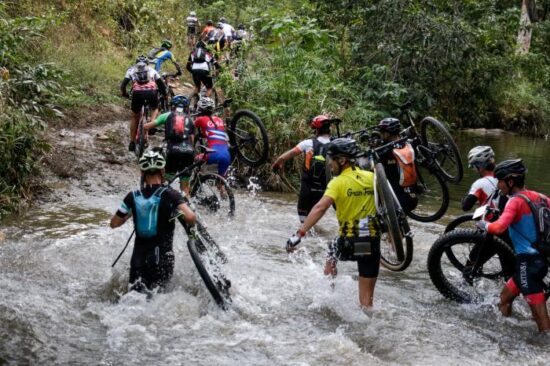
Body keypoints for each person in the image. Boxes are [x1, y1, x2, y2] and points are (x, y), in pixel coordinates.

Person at [286, 138, 381, 309]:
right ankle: (367, 322)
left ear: (342, 160)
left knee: (332, 253)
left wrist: (299, 234)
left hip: (350, 240)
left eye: (332, 159)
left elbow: (320, 208)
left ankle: (327, 297)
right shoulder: (371, 177)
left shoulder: (337, 183)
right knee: (367, 301)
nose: (329, 163)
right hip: (370, 242)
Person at [478, 159, 550, 332]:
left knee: (542, 322)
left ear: (510, 182)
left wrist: (483, 225)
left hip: (528, 264)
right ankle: (505, 332)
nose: (498, 185)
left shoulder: (514, 201)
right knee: (504, 298)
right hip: (538, 261)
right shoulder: (541, 197)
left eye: (500, 181)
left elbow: (499, 227)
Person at [110, 150, 196, 294]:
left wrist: (131, 214)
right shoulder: (171, 194)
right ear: (162, 171)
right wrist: (175, 213)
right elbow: (191, 217)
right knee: (158, 300)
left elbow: (114, 223)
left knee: (134, 299)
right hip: (163, 259)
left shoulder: (132, 196)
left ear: (142, 172)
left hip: (137, 260)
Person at [272, 115, 333, 223]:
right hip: (325, 190)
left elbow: (285, 156)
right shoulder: (335, 146)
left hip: (308, 188)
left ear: (316, 130)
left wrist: (276, 165)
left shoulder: (307, 143)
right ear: (329, 130)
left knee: (303, 220)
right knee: (315, 217)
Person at [144, 95, 195, 195]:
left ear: (172, 106)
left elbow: (147, 126)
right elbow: (192, 140)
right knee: (185, 187)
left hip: (173, 152)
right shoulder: (191, 120)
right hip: (189, 152)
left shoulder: (167, 115)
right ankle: (185, 205)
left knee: (166, 182)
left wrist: (144, 132)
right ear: (186, 108)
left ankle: (167, 203)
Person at [120, 56, 167, 152]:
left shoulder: (131, 70)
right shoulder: (152, 70)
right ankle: (151, 125)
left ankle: (132, 142)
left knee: (135, 117)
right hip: (151, 93)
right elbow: (161, 85)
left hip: (137, 94)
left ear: (136, 63)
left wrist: (124, 94)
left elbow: (123, 85)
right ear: (147, 63)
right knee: (155, 108)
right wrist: (164, 94)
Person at [376, 118, 418, 214]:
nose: (381, 135)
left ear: (387, 133)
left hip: (396, 201)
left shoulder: (383, 151)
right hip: (413, 198)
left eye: (382, 132)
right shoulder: (409, 145)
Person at [193, 97, 231, 178]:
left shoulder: (201, 119)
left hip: (213, 154)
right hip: (227, 156)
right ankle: (222, 188)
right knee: (222, 184)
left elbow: (191, 126)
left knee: (196, 159)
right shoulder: (219, 120)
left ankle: (197, 180)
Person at [462, 146, 498, 211]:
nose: (474, 170)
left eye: (473, 167)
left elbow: (465, 207)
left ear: (480, 167)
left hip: (490, 220)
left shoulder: (480, 183)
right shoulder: (504, 178)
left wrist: (470, 192)